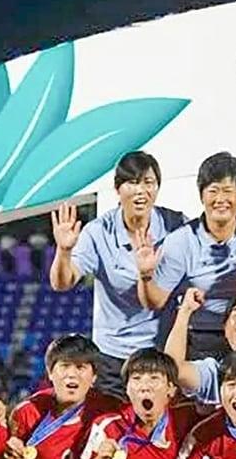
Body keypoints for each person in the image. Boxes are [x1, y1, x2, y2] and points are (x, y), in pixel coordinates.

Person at [48, 152, 186, 395]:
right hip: (113, 355)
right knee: (110, 427)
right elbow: (62, 283)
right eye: (132, 182)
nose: (141, 190)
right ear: (117, 189)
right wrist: (64, 250)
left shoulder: (175, 225)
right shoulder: (98, 231)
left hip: (160, 353)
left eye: (149, 183)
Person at [145, 152, 236, 361]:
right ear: (202, 196)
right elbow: (156, 300)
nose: (220, 199)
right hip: (200, 337)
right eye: (213, 191)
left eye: (228, 191)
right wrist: (145, 274)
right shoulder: (181, 241)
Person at [81, 349, 200, 459]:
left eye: (154, 378)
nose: (145, 387)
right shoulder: (108, 425)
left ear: (171, 389)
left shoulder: (185, 420)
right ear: (127, 390)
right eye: (136, 378)